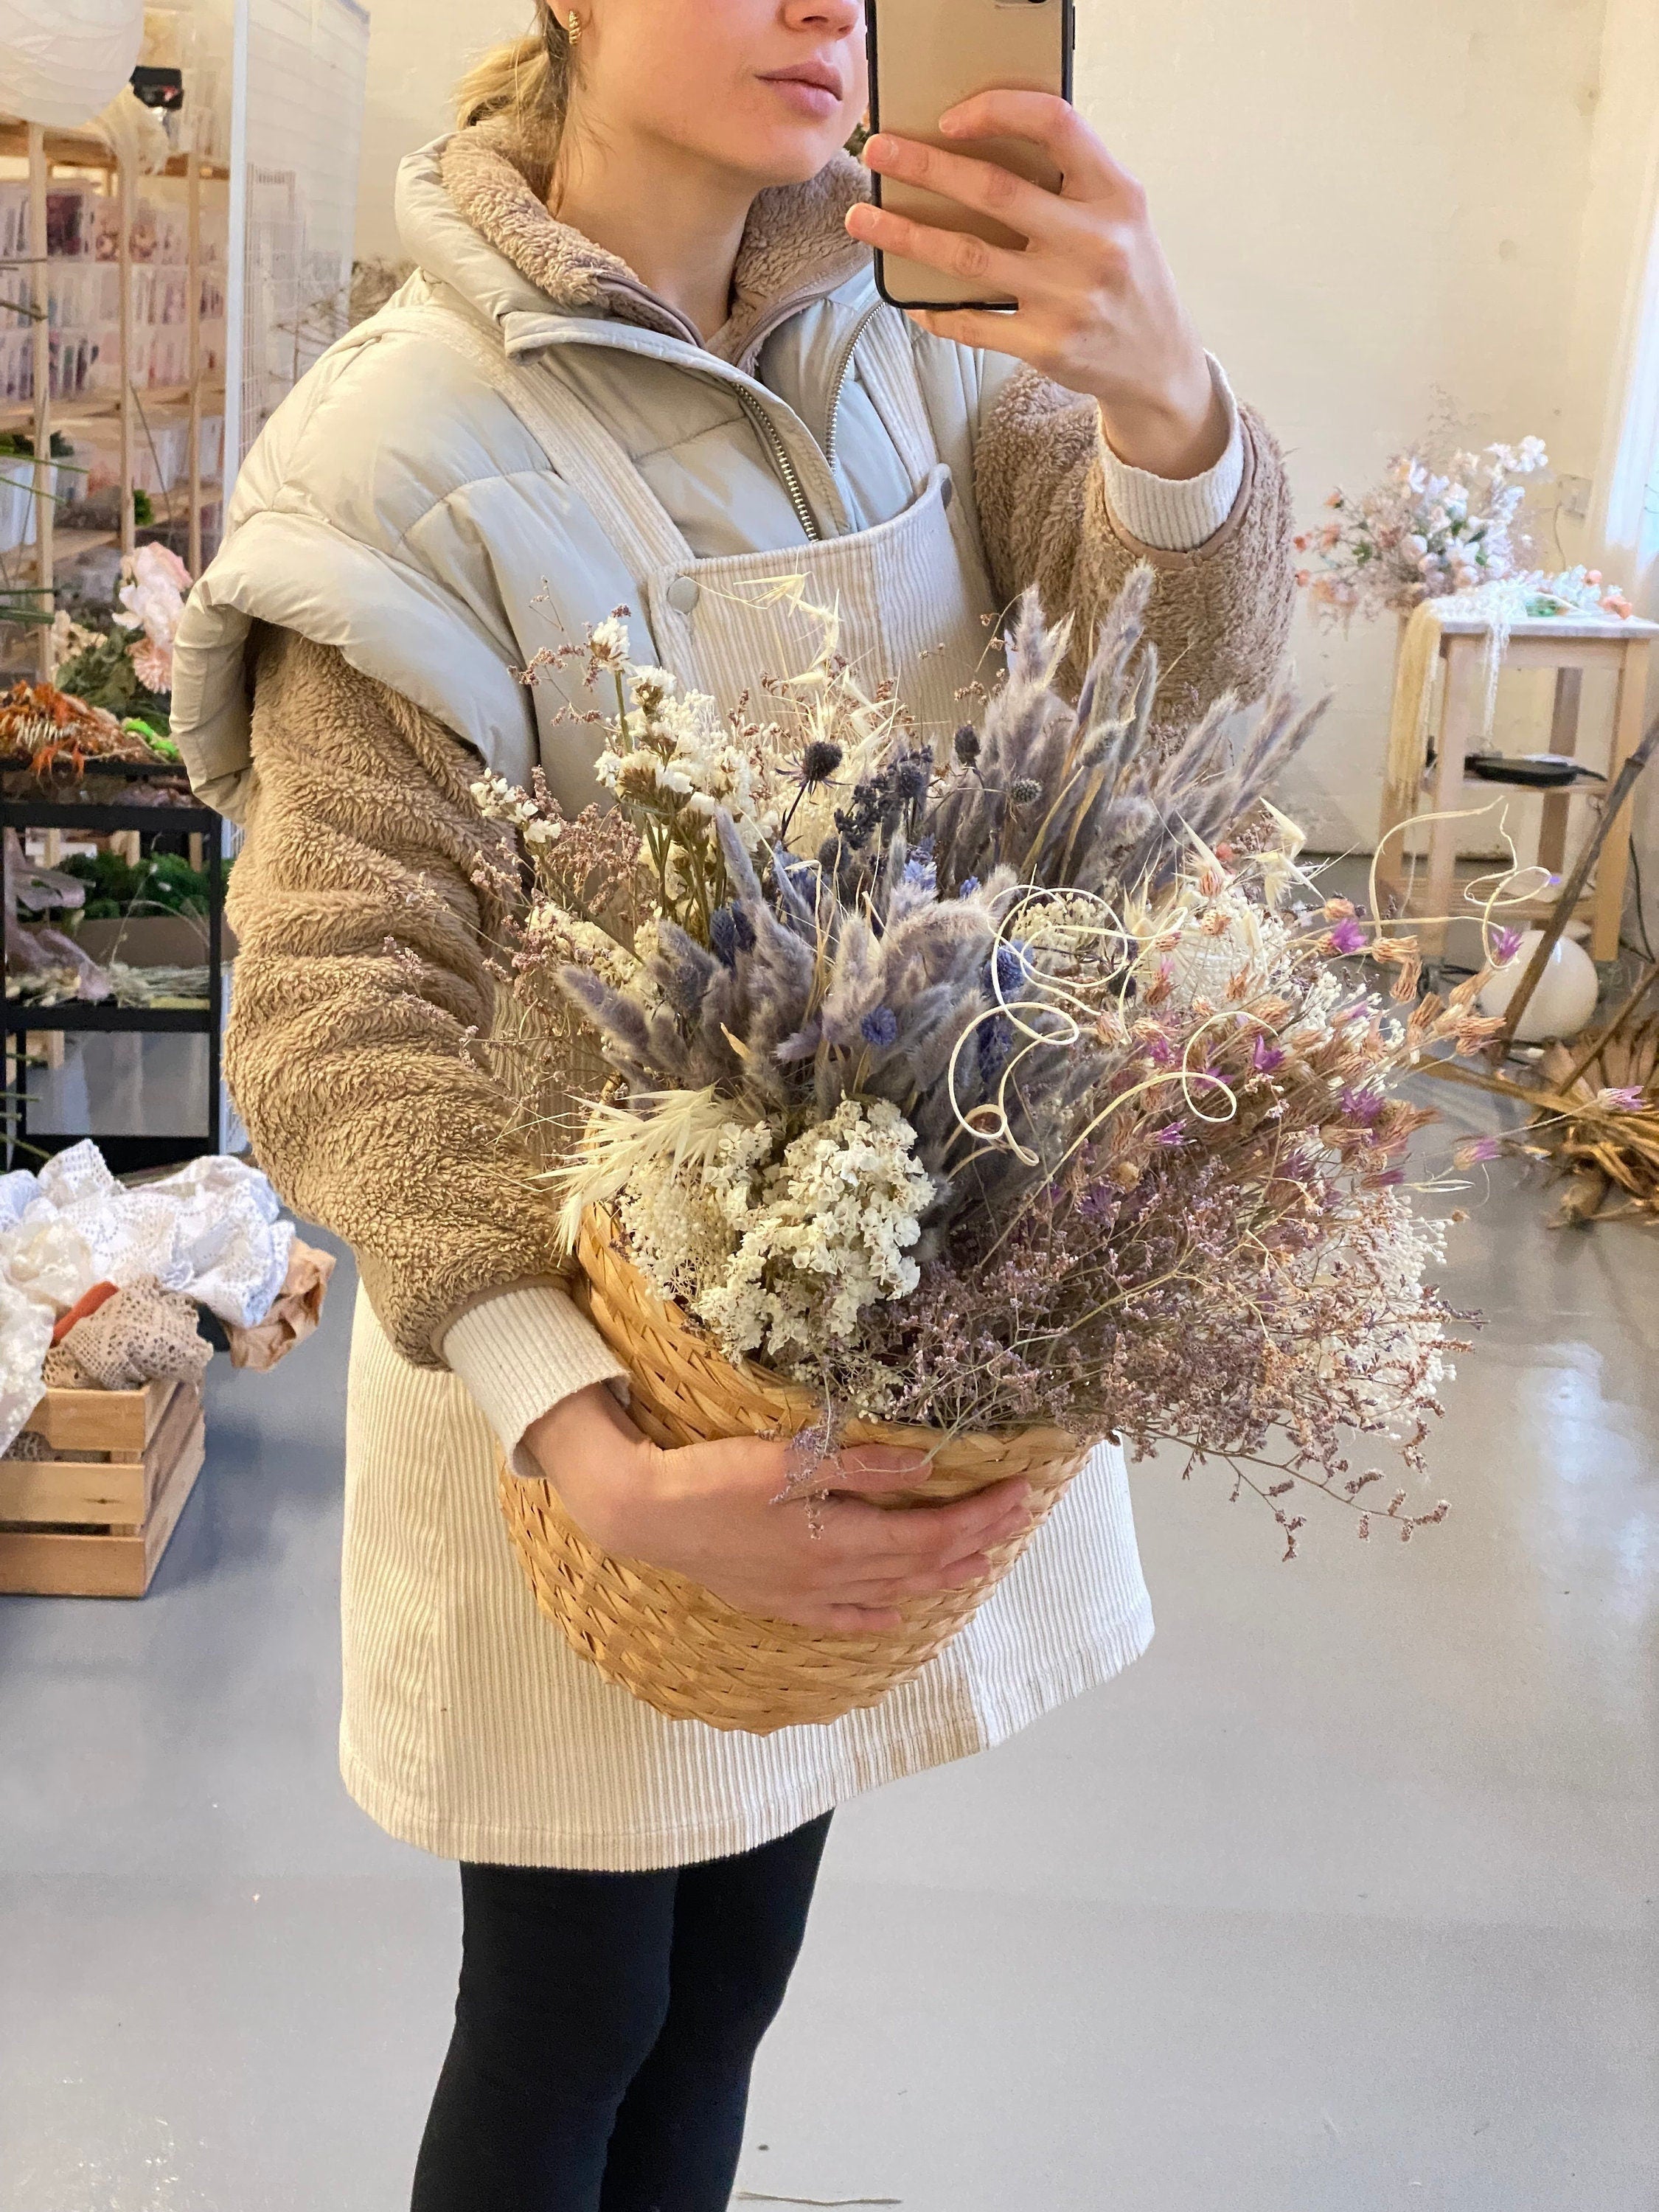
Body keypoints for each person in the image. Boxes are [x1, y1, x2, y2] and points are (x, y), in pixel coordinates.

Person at [172, 3, 1294, 2204]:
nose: (827, 9)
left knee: (730, 1972)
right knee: (569, 2008)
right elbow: (335, 1004)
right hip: (570, 1402)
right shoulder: (393, 446)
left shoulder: (919, 337)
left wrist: (1171, 422)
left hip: (843, 1340)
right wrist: (584, 1440)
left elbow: (1163, 744)